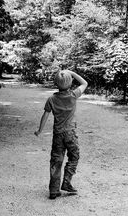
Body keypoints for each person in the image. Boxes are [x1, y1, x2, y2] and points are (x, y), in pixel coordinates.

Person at [34, 70, 88, 200]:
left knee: (56, 161)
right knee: (74, 157)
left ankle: (54, 190)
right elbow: (84, 83)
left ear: (55, 83)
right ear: (70, 83)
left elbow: (45, 116)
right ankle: (67, 182)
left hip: (58, 135)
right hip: (70, 134)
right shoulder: (73, 95)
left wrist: (40, 130)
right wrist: (72, 73)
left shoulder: (51, 99)